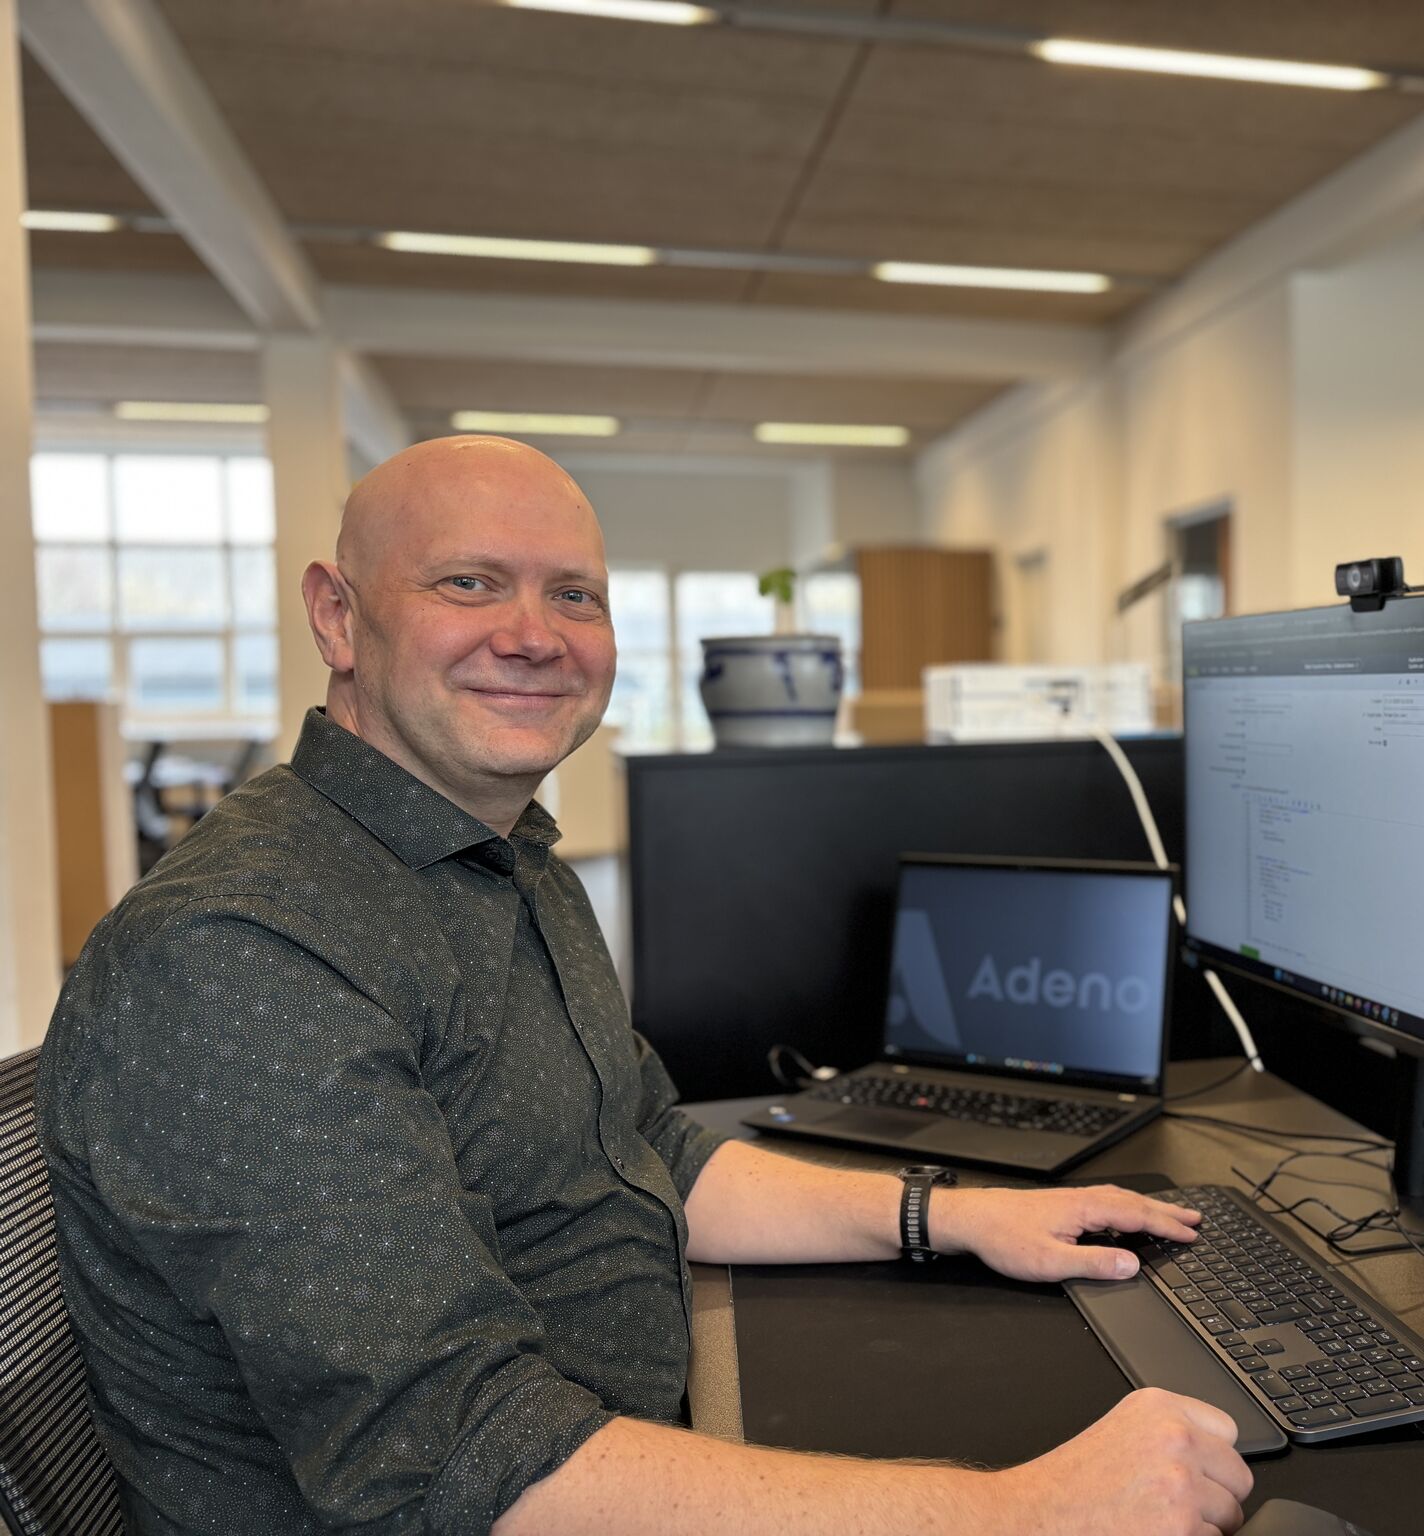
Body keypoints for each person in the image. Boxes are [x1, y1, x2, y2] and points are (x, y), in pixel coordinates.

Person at [37, 436, 1253, 1536]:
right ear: (338, 617)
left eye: (573, 594)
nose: (533, 632)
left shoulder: (503, 862)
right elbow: (457, 1460)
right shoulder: (240, 951)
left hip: (617, 1443)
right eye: (468, 582)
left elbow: (647, 1147)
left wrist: (950, 1214)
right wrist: (1025, 1517)